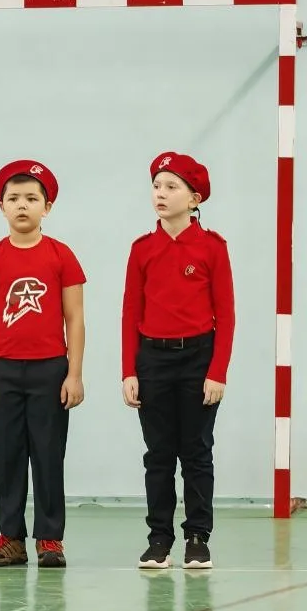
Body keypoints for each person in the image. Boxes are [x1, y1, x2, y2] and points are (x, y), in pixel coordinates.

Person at [0, 161, 85, 569]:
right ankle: (11, 536)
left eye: (32, 198)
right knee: (8, 455)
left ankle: (50, 537)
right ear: (1, 206)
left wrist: (74, 373)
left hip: (50, 369)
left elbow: (75, 318)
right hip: (2, 369)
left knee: (49, 454)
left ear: (46, 207)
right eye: (14, 198)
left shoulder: (61, 255)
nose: (22, 205)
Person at [123, 152, 234, 570]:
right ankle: (159, 539)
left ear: (194, 198)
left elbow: (226, 315)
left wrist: (217, 372)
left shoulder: (212, 248)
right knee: (158, 454)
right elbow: (130, 313)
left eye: (171, 187)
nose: (161, 194)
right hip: (153, 360)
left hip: (198, 359)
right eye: (157, 186)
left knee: (196, 452)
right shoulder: (142, 249)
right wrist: (129, 370)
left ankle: (197, 536)